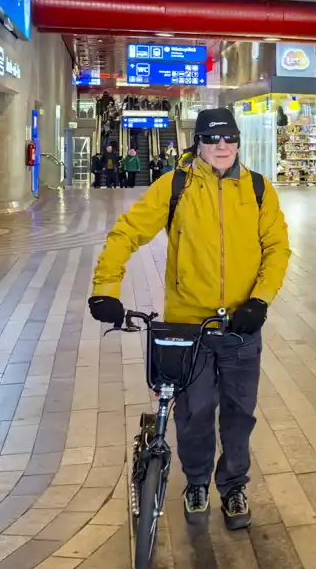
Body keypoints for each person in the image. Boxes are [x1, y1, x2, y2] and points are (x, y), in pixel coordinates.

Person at [88, 108, 291, 530]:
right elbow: (127, 232)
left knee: (239, 413)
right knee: (195, 413)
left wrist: (260, 300)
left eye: (229, 139)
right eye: (213, 139)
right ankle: (196, 482)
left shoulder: (257, 189)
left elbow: (277, 249)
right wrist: (106, 289)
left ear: (237, 143)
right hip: (187, 327)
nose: (222, 147)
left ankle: (234, 487)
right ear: (197, 142)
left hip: (241, 326)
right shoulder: (175, 185)